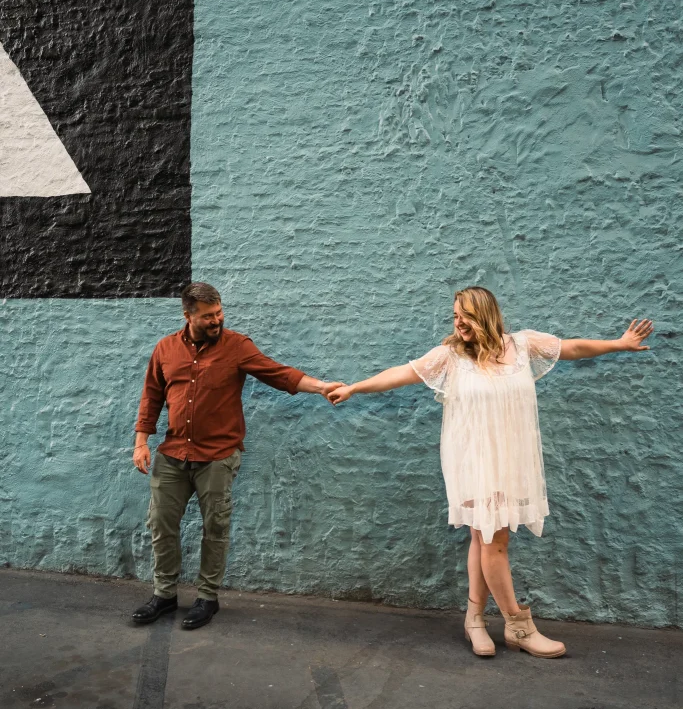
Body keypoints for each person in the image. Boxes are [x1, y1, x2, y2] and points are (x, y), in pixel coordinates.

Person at [327, 286, 653, 658]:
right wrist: (354, 388)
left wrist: (619, 344)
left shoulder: (523, 345)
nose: (458, 323)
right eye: (454, 316)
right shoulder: (451, 356)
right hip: (473, 462)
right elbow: (404, 373)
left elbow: (572, 348)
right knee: (494, 542)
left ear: (485, 314)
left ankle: (475, 620)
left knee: (483, 540)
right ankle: (518, 625)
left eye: (464, 315)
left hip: (511, 461)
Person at [132, 282, 342, 630]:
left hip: (216, 456)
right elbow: (151, 396)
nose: (217, 320)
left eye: (219, 313)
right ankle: (164, 594)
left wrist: (320, 386)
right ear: (188, 316)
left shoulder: (237, 346)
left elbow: (277, 373)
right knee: (160, 524)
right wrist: (141, 442)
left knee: (216, 527)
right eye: (208, 316)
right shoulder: (166, 348)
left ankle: (207, 597)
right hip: (172, 453)